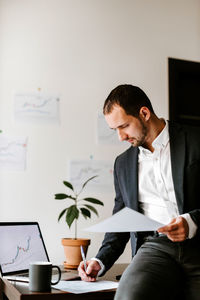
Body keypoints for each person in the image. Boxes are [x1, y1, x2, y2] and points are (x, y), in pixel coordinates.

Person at [78, 84, 200, 300]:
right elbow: (122, 222)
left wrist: (191, 222)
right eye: (114, 130)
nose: (120, 137)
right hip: (156, 248)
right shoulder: (122, 164)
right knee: (128, 295)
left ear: (144, 113)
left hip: (199, 243)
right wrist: (99, 260)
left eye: (123, 126)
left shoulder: (195, 140)